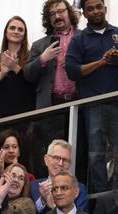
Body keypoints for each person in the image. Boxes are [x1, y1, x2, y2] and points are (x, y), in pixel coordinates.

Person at [65, 0, 118, 193]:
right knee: (96, 155)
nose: (95, 11)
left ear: (105, 8)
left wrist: (116, 60)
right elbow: (72, 71)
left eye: (98, 7)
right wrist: (101, 62)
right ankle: (102, 198)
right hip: (93, 105)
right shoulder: (78, 39)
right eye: (90, 9)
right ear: (84, 13)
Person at [23, 0, 81, 157]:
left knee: (79, 151)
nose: (57, 16)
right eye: (52, 14)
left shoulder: (84, 37)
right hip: (51, 105)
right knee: (51, 153)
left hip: (80, 102)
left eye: (61, 11)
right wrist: (42, 58)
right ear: (48, 19)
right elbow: (27, 74)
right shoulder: (39, 45)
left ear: (69, 12)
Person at [0, 16, 35, 119]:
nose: (16, 31)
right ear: (5, 33)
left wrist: (15, 67)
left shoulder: (32, 57)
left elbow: (33, 89)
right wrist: (2, 74)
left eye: (20, 29)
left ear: (24, 35)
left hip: (24, 116)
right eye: (12, 28)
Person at [30, 139, 88, 214]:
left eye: (65, 160)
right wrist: (42, 201)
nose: (60, 163)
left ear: (69, 165)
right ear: (46, 160)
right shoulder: (33, 186)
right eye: (56, 158)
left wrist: (55, 207)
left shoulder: (79, 188)